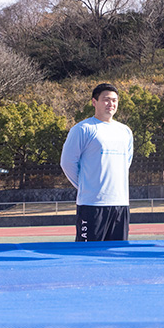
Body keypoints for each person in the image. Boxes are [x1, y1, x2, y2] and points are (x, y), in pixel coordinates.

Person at [60, 83, 134, 241]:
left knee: (117, 254)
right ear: (94, 102)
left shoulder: (125, 131)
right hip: (91, 205)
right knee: (88, 256)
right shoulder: (83, 129)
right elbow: (67, 163)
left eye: (114, 100)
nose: (111, 104)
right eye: (106, 100)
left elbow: (126, 163)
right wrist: (86, 185)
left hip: (120, 203)